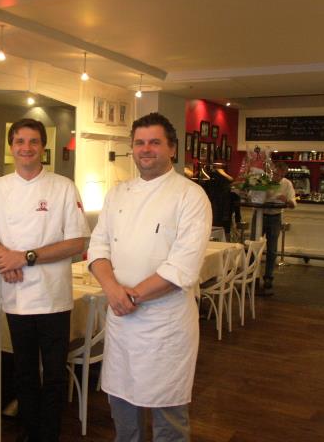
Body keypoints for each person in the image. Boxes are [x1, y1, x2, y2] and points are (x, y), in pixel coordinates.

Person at [88, 113, 212, 442]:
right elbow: (97, 247)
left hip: (165, 323)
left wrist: (132, 296)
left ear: (171, 148)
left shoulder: (191, 196)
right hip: (121, 319)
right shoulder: (117, 193)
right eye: (140, 143)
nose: (146, 149)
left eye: (155, 142)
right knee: (121, 405)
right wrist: (113, 290)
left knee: (168, 414)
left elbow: (182, 265)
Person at [0, 118, 90, 442]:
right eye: (20, 142)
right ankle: (29, 433)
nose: (26, 148)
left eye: (33, 142)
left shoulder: (63, 187)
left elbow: (77, 242)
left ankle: (48, 435)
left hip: (54, 298)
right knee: (23, 372)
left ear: (43, 148)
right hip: (15, 296)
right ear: (11, 147)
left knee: (53, 375)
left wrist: (24, 256)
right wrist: (2, 253)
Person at [259, 161, 296, 295]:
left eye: (280, 175)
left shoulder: (287, 184)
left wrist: (286, 200)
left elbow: (293, 204)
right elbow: (253, 196)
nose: (277, 177)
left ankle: (268, 278)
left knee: (272, 250)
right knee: (253, 247)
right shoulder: (263, 180)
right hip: (260, 215)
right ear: (272, 171)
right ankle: (252, 277)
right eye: (275, 173)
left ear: (284, 174)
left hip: (275, 217)